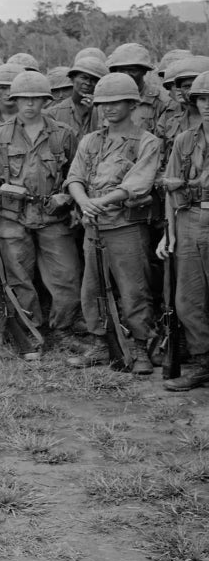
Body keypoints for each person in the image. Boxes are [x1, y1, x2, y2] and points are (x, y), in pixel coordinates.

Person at [0, 71, 81, 358]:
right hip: (12, 217)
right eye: (23, 99)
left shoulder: (64, 135)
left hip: (53, 217)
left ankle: (63, 330)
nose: (29, 104)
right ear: (14, 100)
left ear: (46, 100)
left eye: (35, 99)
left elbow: (77, 177)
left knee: (66, 276)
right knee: (17, 277)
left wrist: (67, 197)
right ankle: (30, 333)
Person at [65, 74, 160, 374]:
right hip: (93, 226)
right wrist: (83, 202)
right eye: (103, 103)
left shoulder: (147, 142)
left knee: (135, 290)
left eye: (116, 102)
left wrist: (99, 203)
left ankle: (141, 346)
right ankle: (101, 343)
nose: (108, 109)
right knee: (92, 288)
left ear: (132, 104)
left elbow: (138, 184)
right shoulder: (91, 140)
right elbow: (74, 178)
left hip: (125, 228)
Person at [160, 70, 209, 391]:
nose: (207, 105)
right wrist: (170, 233)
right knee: (187, 299)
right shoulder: (185, 140)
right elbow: (169, 189)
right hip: (190, 218)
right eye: (203, 99)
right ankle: (204, 362)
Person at [44, 54, 106, 136]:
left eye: (94, 80)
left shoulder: (105, 110)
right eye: (84, 78)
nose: (88, 83)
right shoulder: (54, 113)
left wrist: (95, 112)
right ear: (72, 79)